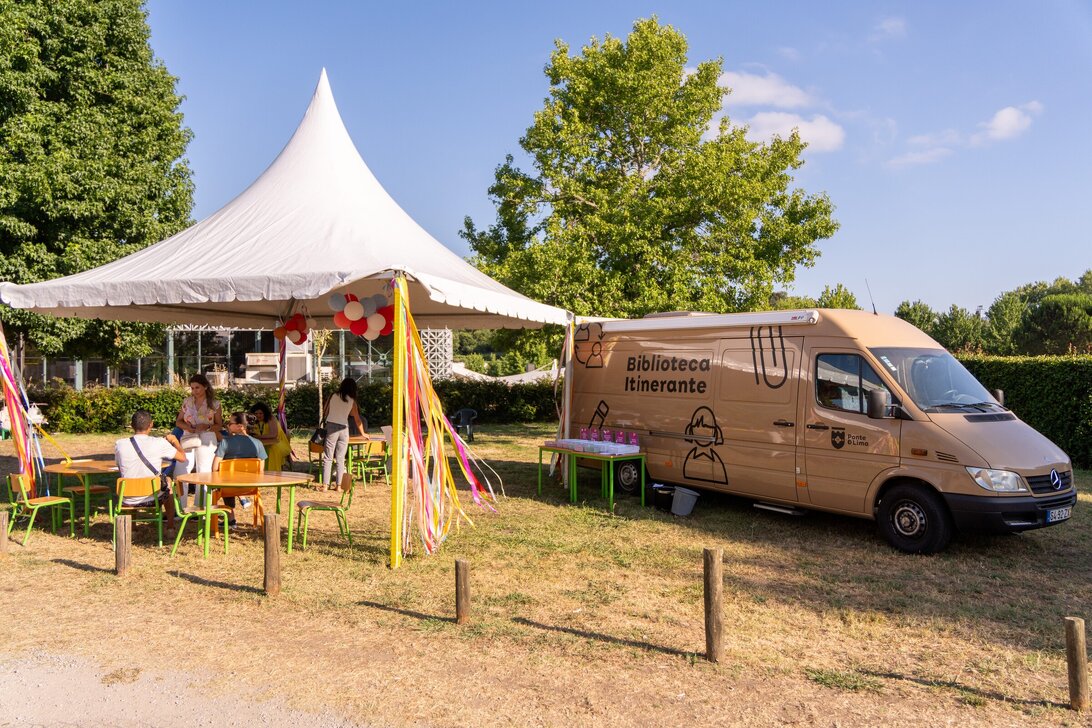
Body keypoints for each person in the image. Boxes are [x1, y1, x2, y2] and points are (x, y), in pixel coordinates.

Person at [114, 409, 187, 531]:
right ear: (151, 424)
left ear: (132, 425)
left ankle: (133, 528)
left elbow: (120, 467)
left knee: (131, 478)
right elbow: (182, 458)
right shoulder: (159, 443)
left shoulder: (120, 444)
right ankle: (170, 527)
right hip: (153, 498)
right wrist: (175, 441)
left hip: (127, 498)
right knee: (168, 484)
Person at [174, 374, 223, 506]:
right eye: (192, 388)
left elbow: (219, 425)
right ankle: (180, 507)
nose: (194, 391)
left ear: (205, 387)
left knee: (204, 470)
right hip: (189, 436)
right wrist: (187, 427)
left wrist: (207, 426)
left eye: (197, 387)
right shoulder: (187, 402)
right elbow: (178, 421)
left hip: (207, 438)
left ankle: (202, 507)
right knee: (182, 469)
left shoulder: (215, 404)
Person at [212, 411, 267, 527]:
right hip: (251, 487)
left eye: (230, 423)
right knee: (229, 480)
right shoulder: (258, 443)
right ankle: (234, 518)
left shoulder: (225, 442)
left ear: (240, 426)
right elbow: (261, 470)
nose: (227, 425)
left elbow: (215, 468)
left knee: (226, 479)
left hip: (228, 488)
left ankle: (231, 519)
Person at [321, 377, 365, 491]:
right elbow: (357, 419)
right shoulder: (352, 400)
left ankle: (325, 485)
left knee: (328, 457)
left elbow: (326, 410)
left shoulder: (333, 396)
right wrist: (363, 433)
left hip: (331, 426)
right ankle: (339, 486)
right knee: (341, 458)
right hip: (344, 428)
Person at [248, 401, 292, 472]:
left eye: (260, 413)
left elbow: (273, 435)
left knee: (273, 449)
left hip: (277, 442)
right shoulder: (251, 420)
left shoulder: (271, 418)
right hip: (259, 443)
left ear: (265, 413)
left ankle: (273, 472)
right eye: (256, 413)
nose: (258, 415)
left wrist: (257, 437)